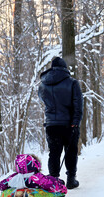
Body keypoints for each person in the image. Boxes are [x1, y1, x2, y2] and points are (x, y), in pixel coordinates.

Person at [38, 57, 83, 190]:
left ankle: (53, 180)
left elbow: (43, 99)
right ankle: (70, 179)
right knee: (71, 151)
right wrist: (76, 121)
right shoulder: (72, 83)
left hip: (51, 124)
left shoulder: (43, 84)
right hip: (69, 124)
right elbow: (78, 105)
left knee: (54, 152)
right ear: (65, 68)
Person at [0, 154, 67, 194]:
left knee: (48, 178)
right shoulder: (37, 178)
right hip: (39, 185)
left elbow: (1, 185)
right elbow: (52, 185)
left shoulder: (14, 177)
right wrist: (62, 188)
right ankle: (59, 180)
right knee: (50, 179)